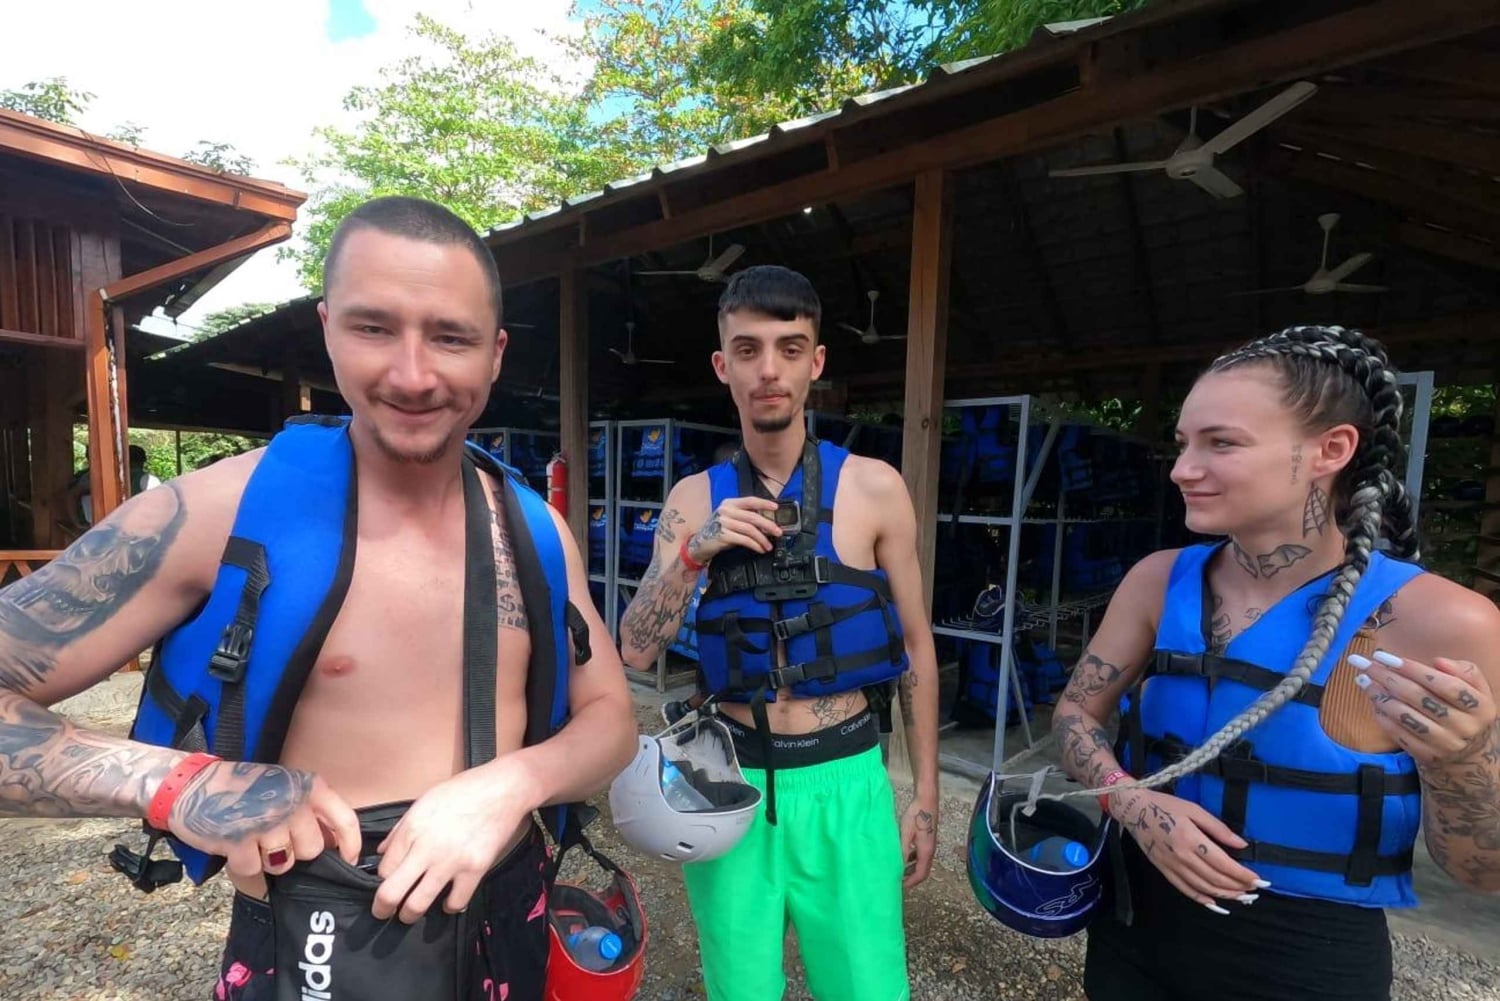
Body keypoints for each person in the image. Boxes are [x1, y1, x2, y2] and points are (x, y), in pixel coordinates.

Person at [0, 196, 637, 1001]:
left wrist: (512, 782)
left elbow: (612, 713)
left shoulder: (535, 530)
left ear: (496, 353)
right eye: (375, 328)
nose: (413, 374)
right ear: (327, 326)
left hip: (510, 914)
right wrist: (176, 782)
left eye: (450, 336)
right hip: (323, 943)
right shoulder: (218, 513)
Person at [1053, 325, 1500, 1000]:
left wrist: (1465, 763)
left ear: (1331, 449)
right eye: (1182, 444)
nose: (1181, 468)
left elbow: (1481, 870)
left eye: (1221, 442)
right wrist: (1135, 802)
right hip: (1134, 925)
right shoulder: (1157, 580)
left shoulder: (1441, 620)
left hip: (1304, 959)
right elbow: (1072, 715)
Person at [617, 265, 940, 1001]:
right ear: (721, 365)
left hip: (848, 782)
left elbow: (917, 644)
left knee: (868, 988)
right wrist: (694, 553)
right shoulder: (691, 497)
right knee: (740, 989)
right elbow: (635, 649)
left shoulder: (876, 487)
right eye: (749, 348)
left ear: (816, 362)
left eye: (791, 348)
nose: (770, 369)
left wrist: (925, 794)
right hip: (731, 783)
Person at [63, 444, 162, 529]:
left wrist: (77, 523)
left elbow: (72, 495)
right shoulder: (147, 479)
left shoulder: (90, 475)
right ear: (143, 461)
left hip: (96, 527)